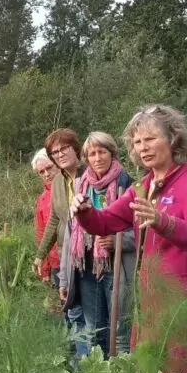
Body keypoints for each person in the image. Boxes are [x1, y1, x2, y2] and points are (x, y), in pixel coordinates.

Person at [72, 105, 187, 373]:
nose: (143, 148)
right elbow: (106, 222)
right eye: (137, 142)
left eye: (150, 139)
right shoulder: (144, 186)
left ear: (173, 139)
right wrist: (85, 212)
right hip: (150, 297)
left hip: (183, 299)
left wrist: (163, 221)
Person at [70, 132, 136, 357]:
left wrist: (118, 240)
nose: (97, 158)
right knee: (93, 329)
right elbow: (72, 228)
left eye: (102, 152)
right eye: (92, 154)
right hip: (88, 267)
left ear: (112, 154)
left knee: (119, 329)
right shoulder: (80, 186)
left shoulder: (127, 185)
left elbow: (141, 231)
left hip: (116, 268)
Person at [32, 128, 89, 358]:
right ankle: (79, 362)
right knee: (73, 312)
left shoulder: (89, 176)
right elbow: (54, 220)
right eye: (55, 152)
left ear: (76, 149)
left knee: (90, 315)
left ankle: (92, 363)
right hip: (64, 256)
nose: (60, 155)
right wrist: (40, 255)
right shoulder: (58, 183)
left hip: (89, 254)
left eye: (64, 149)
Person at [31, 149, 59, 285]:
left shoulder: (73, 187)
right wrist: (45, 269)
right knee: (65, 302)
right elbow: (42, 234)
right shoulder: (42, 200)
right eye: (41, 172)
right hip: (56, 262)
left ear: (57, 164)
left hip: (77, 257)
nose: (47, 174)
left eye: (49, 168)